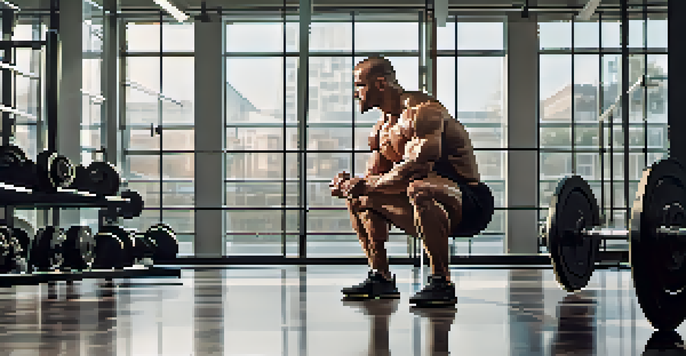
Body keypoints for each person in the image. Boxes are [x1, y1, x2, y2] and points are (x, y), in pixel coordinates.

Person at [330, 56, 493, 306]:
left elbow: (416, 167)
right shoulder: (380, 130)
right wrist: (350, 184)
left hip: (469, 204)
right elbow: (374, 180)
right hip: (424, 201)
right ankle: (380, 277)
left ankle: (441, 282)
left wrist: (368, 184)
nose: (356, 93)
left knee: (420, 186)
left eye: (360, 85)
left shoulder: (423, 112)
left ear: (381, 84)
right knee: (360, 198)